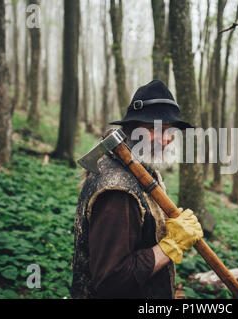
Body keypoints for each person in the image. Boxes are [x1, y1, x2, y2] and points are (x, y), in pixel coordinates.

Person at [70, 80, 203, 298]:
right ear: (132, 130)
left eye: (169, 130)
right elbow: (111, 280)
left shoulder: (142, 170)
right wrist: (171, 246)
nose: (166, 139)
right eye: (155, 129)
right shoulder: (117, 193)